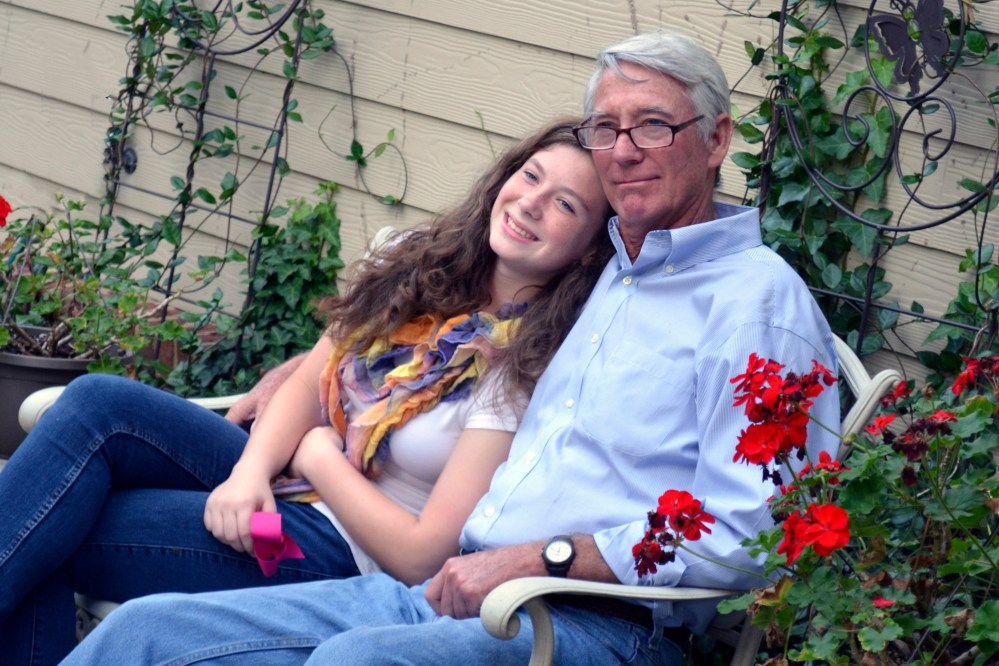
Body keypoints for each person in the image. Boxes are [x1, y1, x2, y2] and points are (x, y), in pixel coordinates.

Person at [64, 30, 841, 666]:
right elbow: (440, 331)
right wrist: (302, 372)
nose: (624, 149)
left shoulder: (755, 305)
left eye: (654, 125)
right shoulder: (601, 277)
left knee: (356, 662)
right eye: (606, 128)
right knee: (147, 630)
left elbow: (752, 531)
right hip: (451, 594)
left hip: (599, 626)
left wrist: (542, 558)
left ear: (716, 139)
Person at [0, 118, 614, 666]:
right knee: (98, 406)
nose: (530, 203)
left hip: (346, 546)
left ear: (590, 250)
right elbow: (309, 379)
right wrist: (249, 473)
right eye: (530, 176)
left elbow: (423, 556)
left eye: (564, 204)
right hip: (285, 482)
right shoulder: (422, 265)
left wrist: (319, 454)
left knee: (48, 523)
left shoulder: (524, 365)